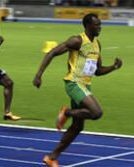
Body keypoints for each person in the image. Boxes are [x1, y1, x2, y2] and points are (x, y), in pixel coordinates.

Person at [32, 13, 122, 167]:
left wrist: (113, 67)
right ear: (87, 25)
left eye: (100, 24)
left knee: (77, 126)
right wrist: (38, 75)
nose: (100, 27)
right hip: (74, 83)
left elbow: (98, 71)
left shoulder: (97, 44)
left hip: (85, 85)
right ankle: (66, 112)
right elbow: (52, 52)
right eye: (97, 24)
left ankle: (51, 157)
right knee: (96, 112)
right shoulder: (77, 40)